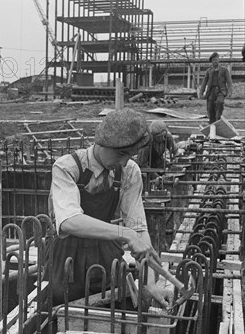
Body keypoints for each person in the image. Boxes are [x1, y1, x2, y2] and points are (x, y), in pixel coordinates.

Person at [48, 108, 171, 307]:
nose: (124, 161)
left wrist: (150, 283)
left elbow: (138, 227)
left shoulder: (130, 172)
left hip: (106, 257)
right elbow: (69, 221)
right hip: (66, 259)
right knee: (60, 315)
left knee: (112, 311)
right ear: (102, 142)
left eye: (130, 155)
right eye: (121, 153)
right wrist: (127, 234)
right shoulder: (67, 167)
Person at [198, 52, 233, 124]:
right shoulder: (209, 71)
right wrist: (201, 92)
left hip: (221, 91)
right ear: (211, 62)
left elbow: (229, 82)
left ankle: (218, 119)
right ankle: (212, 124)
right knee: (210, 108)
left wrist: (230, 92)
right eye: (213, 60)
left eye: (216, 59)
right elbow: (204, 82)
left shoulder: (224, 70)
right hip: (211, 91)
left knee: (220, 102)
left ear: (219, 60)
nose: (215, 61)